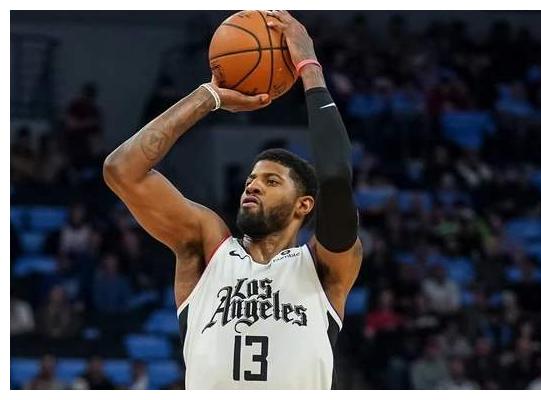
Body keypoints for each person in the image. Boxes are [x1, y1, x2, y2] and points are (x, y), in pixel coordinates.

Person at [103, 10, 362, 390]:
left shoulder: (323, 269)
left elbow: (336, 177)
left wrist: (308, 66)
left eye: (271, 181)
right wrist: (207, 97)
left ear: (304, 205)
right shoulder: (208, 247)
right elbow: (122, 170)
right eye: (251, 179)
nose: (253, 186)